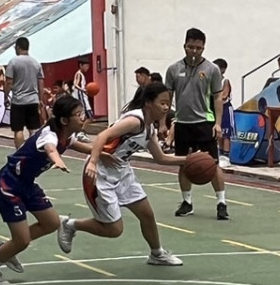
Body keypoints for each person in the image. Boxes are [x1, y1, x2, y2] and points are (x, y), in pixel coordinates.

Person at [58, 79, 185, 267]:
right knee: (114, 230)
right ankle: (70, 224)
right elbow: (103, 135)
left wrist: (188, 159)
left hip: (122, 172)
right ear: (148, 103)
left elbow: (161, 158)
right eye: (163, 103)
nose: (166, 108)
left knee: (147, 214)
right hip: (99, 174)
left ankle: (157, 254)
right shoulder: (134, 121)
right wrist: (93, 161)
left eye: (168, 103)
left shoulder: (148, 129)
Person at [0, 94, 84, 285]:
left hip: (27, 184)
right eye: (78, 114)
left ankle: (6, 249)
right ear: (64, 120)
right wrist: (57, 160)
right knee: (22, 241)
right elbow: (50, 149)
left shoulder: (67, 136)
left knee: (52, 223)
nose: (83, 118)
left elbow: (86, 147)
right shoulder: (49, 135)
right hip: (8, 185)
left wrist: (103, 152)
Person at [165, 27, 230, 220]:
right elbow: (167, 97)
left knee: (213, 164)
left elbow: (218, 98)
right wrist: (162, 123)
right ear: (184, 46)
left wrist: (218, 124)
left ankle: (221, 203)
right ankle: (187, 202)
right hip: (183, 123)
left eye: (198, 48)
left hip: (204, 123)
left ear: (203, 48)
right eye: (191, 47)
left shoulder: (212, 69)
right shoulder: (173, 69)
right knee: (184, 163)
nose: (194, 51)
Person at [4, 37, 44, 148]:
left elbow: (9, 82)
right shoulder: (36, 63)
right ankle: (32, 151)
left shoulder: (13, 62)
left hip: (18, 101)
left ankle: (20, 153)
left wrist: (5, 96)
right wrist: (40, 100)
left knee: (18, 129)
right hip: (33, 100)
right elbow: (41, 84)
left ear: (18, 47)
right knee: (33, 129)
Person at [213, 57, 234, 168]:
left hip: (225, 108)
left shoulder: (225, 81)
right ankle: (220, 154)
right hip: (215, 108)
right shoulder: (212, 81)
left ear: (222, 70)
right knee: (219, 133)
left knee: (226, 134)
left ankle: (226, 157)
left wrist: (214, 97)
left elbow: (224, 95)